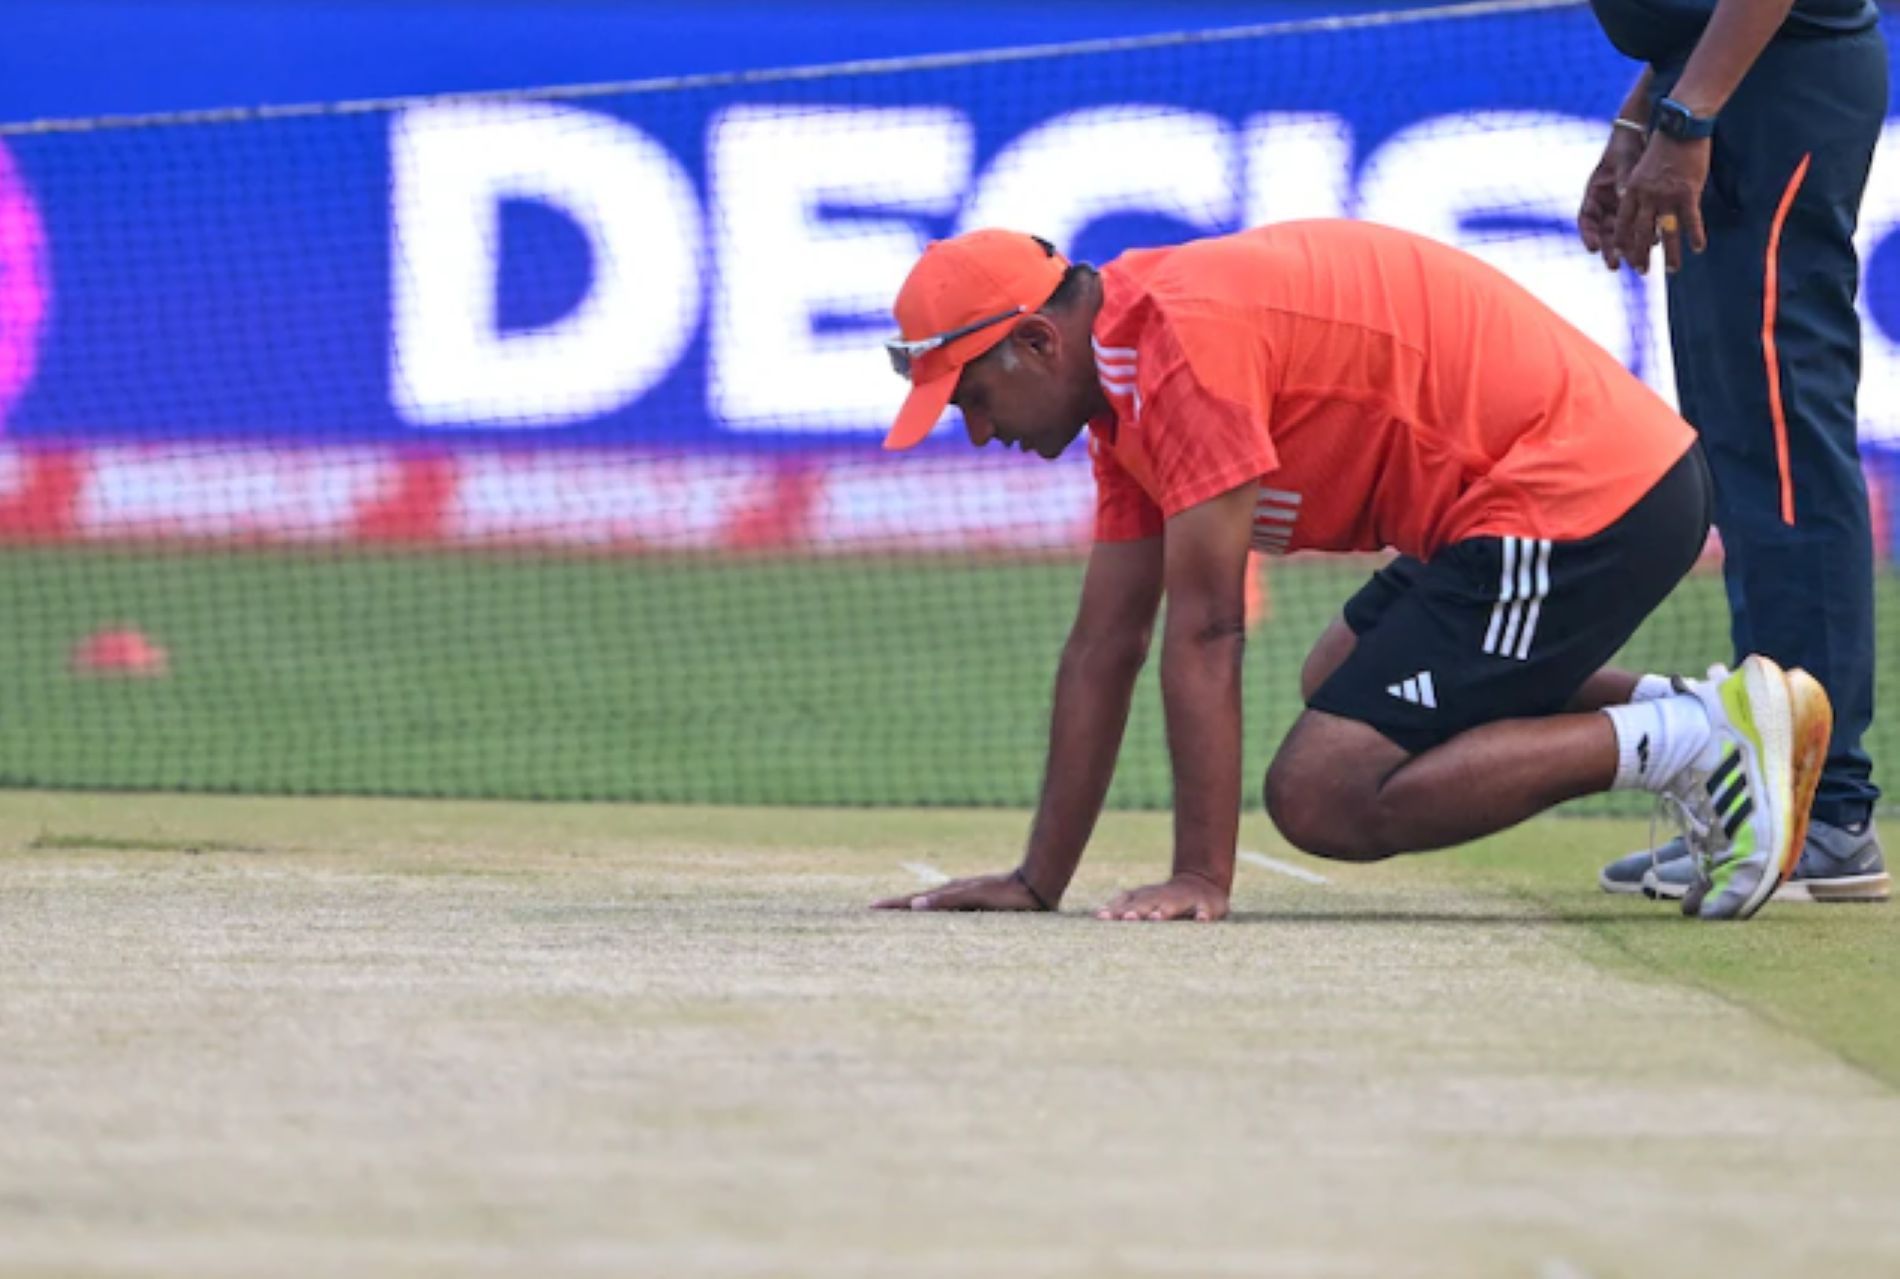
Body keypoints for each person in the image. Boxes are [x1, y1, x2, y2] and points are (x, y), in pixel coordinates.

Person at [867, 221, 1832, 923]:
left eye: (976, 397)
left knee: (1321, 792)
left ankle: (1697, 739)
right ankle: (1719, 716)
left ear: (1039, 341)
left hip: (1580, 494)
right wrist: (1040, 879)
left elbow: (1206, 631)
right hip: (1520, 503)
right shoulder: (1121, 393)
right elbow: (1104, 645)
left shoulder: (1177, 354)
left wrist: (1201, 876)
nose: (982, 430)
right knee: (1339, 673)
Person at [1579, 0, 1888, 902]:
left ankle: (1827, 812)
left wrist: (1689, 114)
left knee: (1783, 450)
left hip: (1771, 94)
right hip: (1723, 90)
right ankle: (1775, 796)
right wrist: (1647, 111)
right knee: (1743, 456)